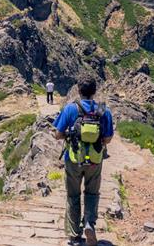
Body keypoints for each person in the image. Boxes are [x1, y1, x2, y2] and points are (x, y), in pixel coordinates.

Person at [52, 75, 113, 246]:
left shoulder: (70, 109)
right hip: (95, 159)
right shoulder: (103, 110)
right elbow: (108, 139)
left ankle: (74, 235)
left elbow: (57, 134)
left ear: (78, 90)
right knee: (92, 193)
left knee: (73, 195)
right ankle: (89, 224)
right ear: (95, 91)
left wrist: (68, 135)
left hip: (73, 159)